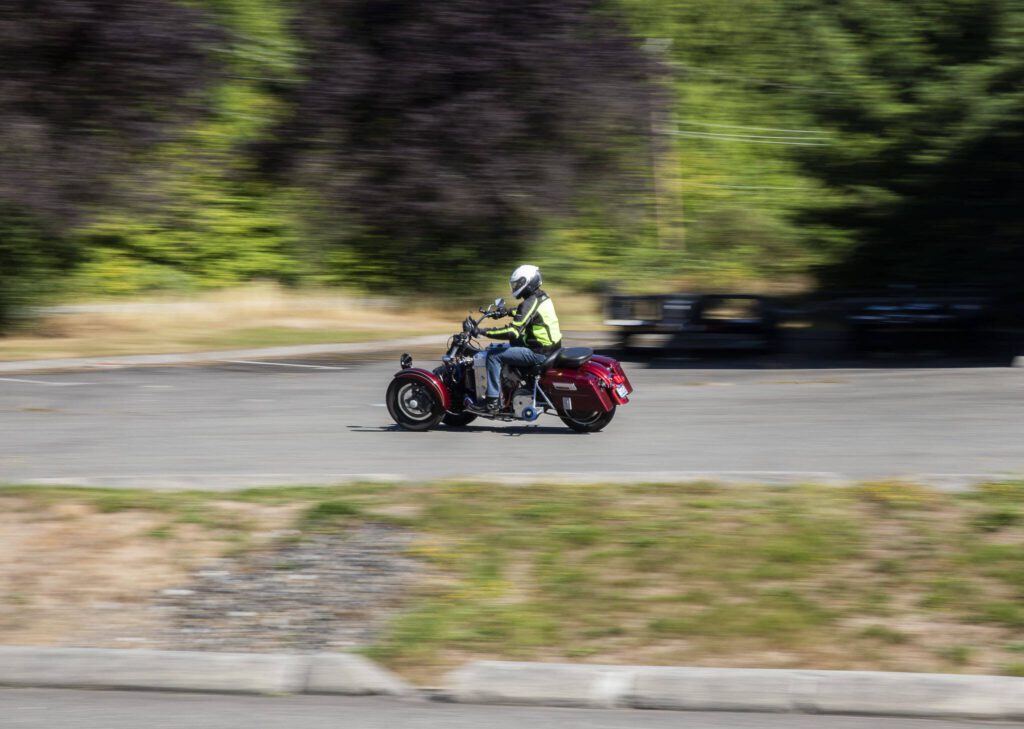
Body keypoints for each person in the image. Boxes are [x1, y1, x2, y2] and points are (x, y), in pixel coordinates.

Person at [468, 264, 562, 414]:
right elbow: (526, 312)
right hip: (551, 347)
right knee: (512, 344)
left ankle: (492, 402)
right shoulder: (542, 296)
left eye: (518, 284)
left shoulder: (529, 302)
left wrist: (482, 331)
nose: (516, 287)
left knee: (494, 355)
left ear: (529, 282)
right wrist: (506, 312)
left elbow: (512, 331)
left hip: (539, 352)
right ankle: (512, 384)